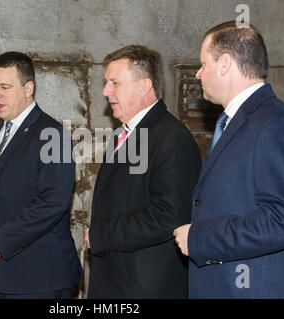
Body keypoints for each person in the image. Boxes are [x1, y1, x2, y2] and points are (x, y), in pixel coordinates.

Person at [173, 22, 284, 298]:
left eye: (203, 64)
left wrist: (200, 238)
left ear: (225, 64)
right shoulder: (236, 122)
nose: (198, 74)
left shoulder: (275, 122)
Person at [84, 45, 201, 298]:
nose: (106, 91)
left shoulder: (171, 138)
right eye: (106, 83)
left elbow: (169, 215)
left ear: (144, 86)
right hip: (116, 285)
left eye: (115, 83)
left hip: (144, 289)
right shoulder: (124, 133)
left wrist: (101, 235)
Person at [0, 51, 83, 298]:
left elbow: (54, 201)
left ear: (28, 88)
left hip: (37, 276)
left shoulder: (54, 135)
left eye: (5, 87)